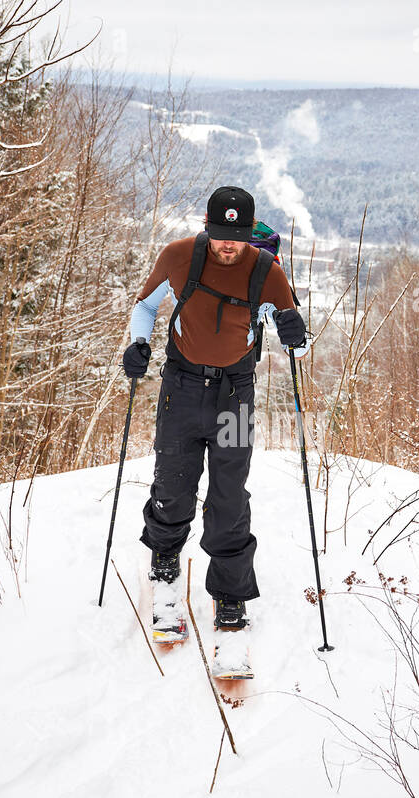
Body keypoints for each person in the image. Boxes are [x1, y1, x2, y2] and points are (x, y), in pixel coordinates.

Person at [122, 185, 307, 634]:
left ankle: (229, 594)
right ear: (208, 227)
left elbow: (297, 350)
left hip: (234, 395)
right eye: (222, 233)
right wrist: (137, 344)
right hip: (181, 388)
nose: (229, 243)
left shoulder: (268, 273)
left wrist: (296, 334)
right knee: (173, 482)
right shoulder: (179, 256)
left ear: (249, 232)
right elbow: (145, 306)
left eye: (238, 234)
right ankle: (164, 558)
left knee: (229, 495)